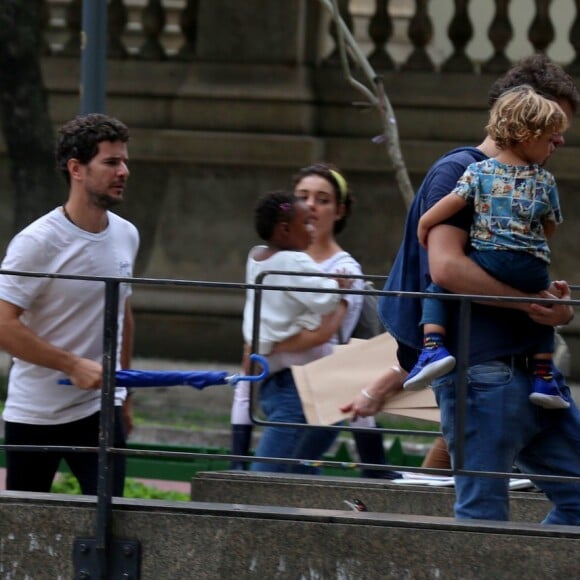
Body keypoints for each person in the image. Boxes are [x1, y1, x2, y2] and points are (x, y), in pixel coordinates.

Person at [341, 54, 580, 524]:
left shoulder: (529, 182)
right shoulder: (459, 172)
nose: (560, 137)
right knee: (482, 516)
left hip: (527, 373)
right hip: (482, 373)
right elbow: (446, 267)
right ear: (521, 112)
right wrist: (533, 301)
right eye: (555, 125)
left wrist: (553, 304)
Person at [404, 85, 570, 411]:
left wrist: (424, 223)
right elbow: (550, 225)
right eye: (549, 138)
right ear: (525, 135)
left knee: (438, 286)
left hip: (490, 257)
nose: (556, 145)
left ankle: (433, 346)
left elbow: (452, 203)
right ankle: (544, 375)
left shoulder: (478, 172)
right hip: (532, 263)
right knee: (541, 303)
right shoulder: (545, 181)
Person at [0, 113, 139, 496]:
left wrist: (124, 392)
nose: (123, 170)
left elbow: (122, 314)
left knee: (113, 531)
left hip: (100, 410)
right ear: (76, 169)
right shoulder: (37, 243)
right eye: (111, 162)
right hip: (35, 414)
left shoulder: (127, 234)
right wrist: (71, 364)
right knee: (26, 536)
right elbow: (3, 324)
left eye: (124, 161)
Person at [233, 164, 392, 476]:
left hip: (314, 385)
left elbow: (324, 336)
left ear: (339, 210)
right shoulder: (269, 259)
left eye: (322, 199)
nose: (311, 206)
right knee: (293, 481)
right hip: (270, 383)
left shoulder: (344, 271)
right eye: (303, 197)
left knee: (265, 479)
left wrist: (265, 345)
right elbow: (256, 323)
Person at [241, 189, 347, 472]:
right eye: (306, 223)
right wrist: (340, 288)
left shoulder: (256, 258)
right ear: (285, 230)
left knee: (301, 455)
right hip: (297, 383)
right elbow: (324, 299)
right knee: (270, 468)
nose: (312, 230)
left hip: (272, 378)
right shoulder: (294, 261)